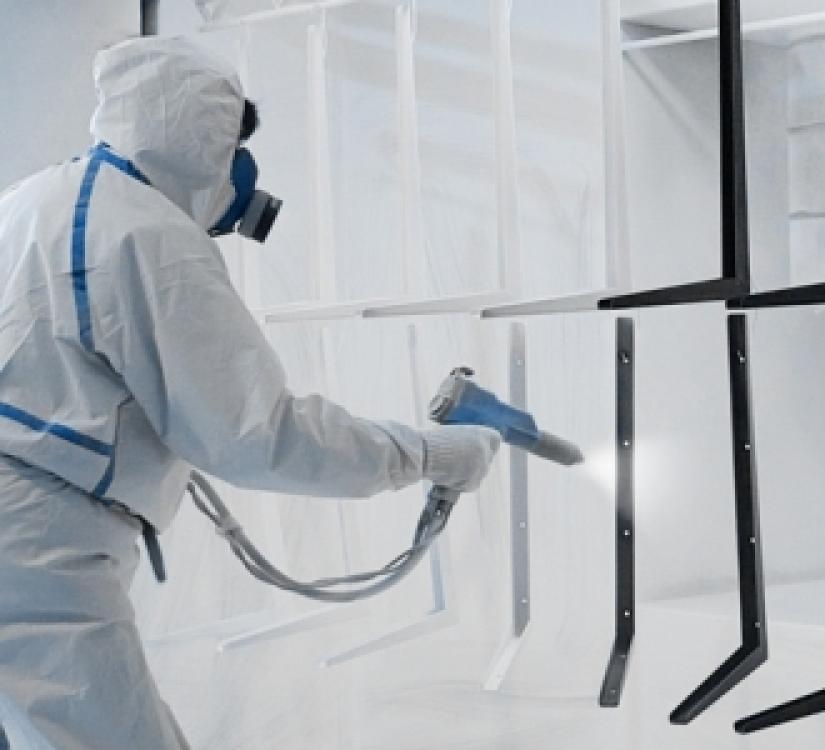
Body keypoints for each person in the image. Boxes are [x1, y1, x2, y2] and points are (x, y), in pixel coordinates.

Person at [0, 37, 505, 749]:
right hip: (34, 550)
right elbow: (261, 437)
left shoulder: (34, 198)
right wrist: (427, 453)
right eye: (236, 143)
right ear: (200, 140)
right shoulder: (152, 235)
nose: (243, 168)